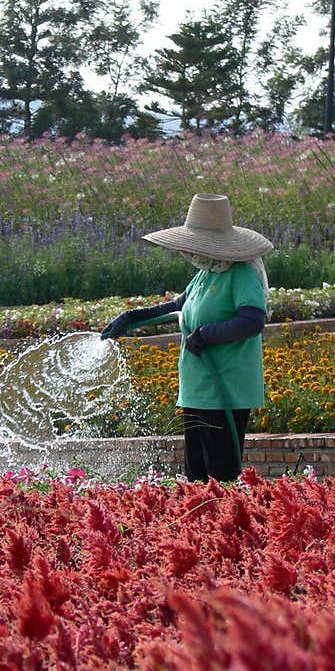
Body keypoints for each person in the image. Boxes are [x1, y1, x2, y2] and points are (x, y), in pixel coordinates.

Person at [100, 193, 273, 483]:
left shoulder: (240, 273)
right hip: (197, 388)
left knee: (221, 476)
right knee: (196, 478)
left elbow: (252, 321)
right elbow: (179, 307)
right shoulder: (207, 274)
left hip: (225, 390)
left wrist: (206, 334)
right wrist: (133, 318)